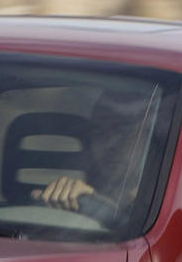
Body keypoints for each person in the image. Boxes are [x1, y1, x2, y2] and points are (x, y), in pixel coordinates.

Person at [35, 87, 157, 220]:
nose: (109, 144)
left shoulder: (162, 207)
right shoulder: (73, 204)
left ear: (148, 136)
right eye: (99, 133)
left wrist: (96, 205)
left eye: (122, 131)